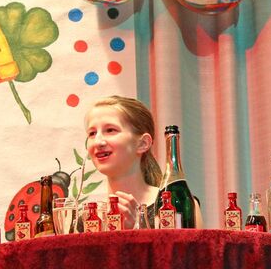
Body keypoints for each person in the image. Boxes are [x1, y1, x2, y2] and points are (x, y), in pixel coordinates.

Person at [85, 95, 203, 228]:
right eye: (92, 133)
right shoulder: (86, 219)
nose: (98, 142)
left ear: (143, 143)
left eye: (110, 130)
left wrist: (136, 228)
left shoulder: (176, 207)